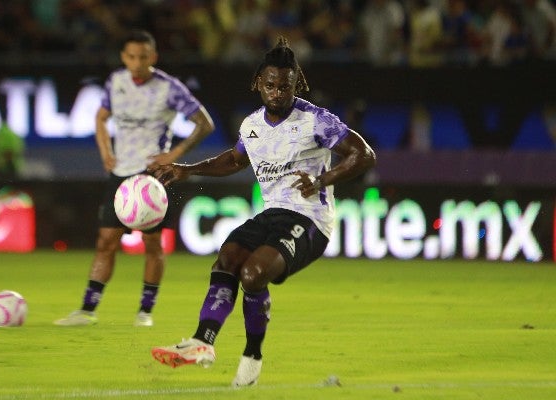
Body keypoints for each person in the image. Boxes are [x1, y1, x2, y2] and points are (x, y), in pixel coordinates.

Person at [148, 36, 376, 386]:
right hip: (273, 213)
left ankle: (252, 355)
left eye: (285, 86)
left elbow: (363, 154)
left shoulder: (316, 120)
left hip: (311, 220)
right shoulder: (251, 125)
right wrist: (187, 169)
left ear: (296, 84)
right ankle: (201, 343)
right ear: (258, 83)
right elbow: (235, 160)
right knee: (227, 257)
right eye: (270, 85)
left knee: (253, 274)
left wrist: (322, 178)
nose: (277, 93)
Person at [54, 30, 215, 327]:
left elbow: (204, 123)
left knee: (152, 243)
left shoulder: (170, 88)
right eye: (131, 56)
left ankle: (145, 312)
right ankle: (87, 310)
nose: (137, 62)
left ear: (153, 57)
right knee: (106, 241)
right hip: (120, 173)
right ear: (123, 57)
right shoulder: (116, 82)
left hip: (152, 176)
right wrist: (105, 151)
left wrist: (175, 153)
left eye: (143, 57)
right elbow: (101, 117)